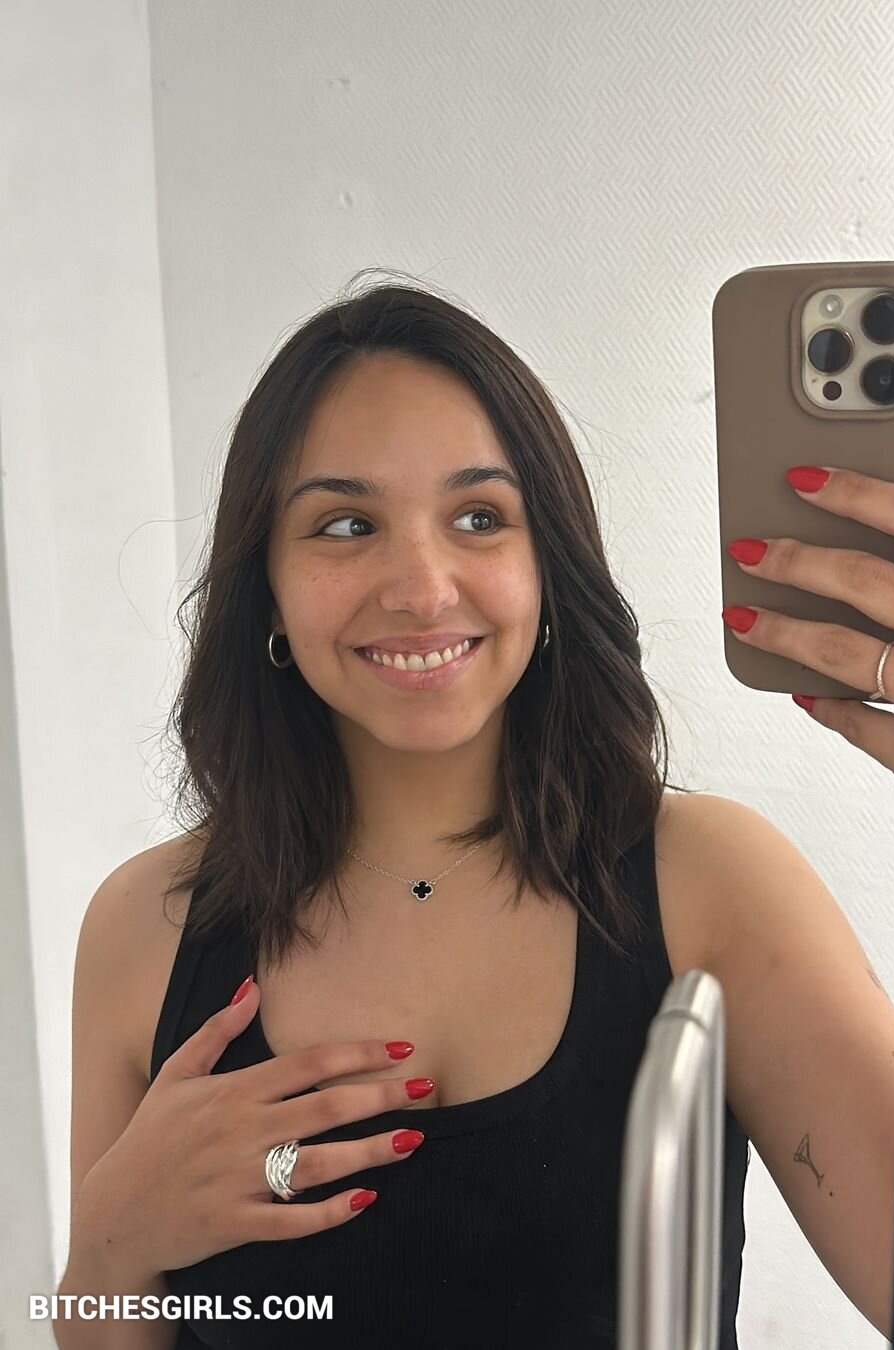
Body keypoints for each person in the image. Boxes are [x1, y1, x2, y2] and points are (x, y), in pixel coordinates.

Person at [54, 277, 752, 1349]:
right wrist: (109, 1244)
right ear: (268, 590)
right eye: (345, 524)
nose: (422, 589)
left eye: (479, 517)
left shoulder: (710, 881)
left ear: (548, 566)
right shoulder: (144, 927)